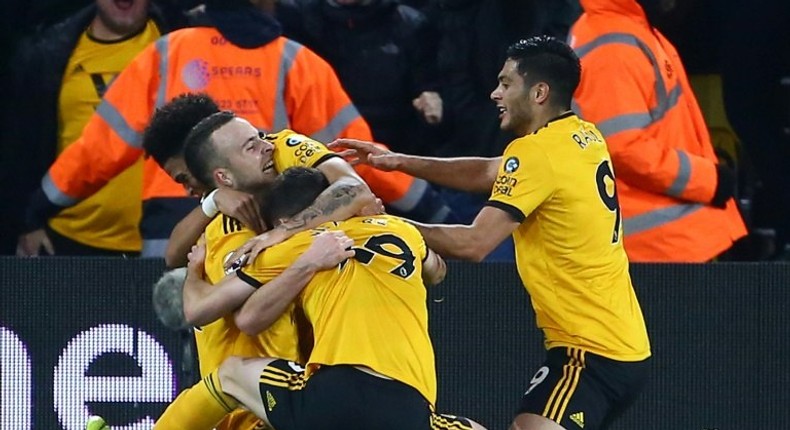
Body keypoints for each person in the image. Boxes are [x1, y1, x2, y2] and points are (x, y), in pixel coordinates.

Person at [330, 36, 651, 430]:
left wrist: (374, 224)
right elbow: (489, 171)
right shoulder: (582, 137)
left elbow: (473, 243)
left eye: (505, 83)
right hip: (621, 344)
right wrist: (396, 161)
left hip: (588, 352)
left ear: (538, 92)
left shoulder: (536, 153)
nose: (494, 93)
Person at [20, 0, 454, 259]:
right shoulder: (294, 61)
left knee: (173, 344)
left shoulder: (167, 53)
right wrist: (438, 211)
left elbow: (100, 148)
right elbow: (360, 157)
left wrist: (39, 206)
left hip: (172, 226)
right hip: (263, 224)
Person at [152, 166, 486, 430]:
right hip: (410, 408)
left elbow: (216, 313)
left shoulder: (293, 246)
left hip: (337, 396)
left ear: (284, 221)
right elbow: (437, 270)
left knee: (230, 375)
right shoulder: (402, 231)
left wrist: (195, 271)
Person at [143, 101, 378, 429]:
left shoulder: (280, 149)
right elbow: (179, 261)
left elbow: (354, 187)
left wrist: (283, 234)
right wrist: (213, 202)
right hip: (256, 398)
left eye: (184, 176)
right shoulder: (222, 225)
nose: (187, 189)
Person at [566, 0, 747, 262]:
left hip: (665, 240)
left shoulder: (626, 29)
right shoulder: (612, 44)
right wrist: (708, 180)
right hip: (654, 249)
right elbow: (624, 148)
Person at [7, 0, 170, 256]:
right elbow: (21, 148)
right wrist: (27, 225)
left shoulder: (183, 44)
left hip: (161, 244)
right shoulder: (47, 56)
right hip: (67, 241)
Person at [275, 0, 444, 156]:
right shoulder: (296, 19)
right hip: (324, 147)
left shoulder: (409, 24)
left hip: (395, 149)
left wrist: (429, 97)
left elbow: (426, 83)